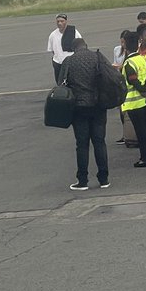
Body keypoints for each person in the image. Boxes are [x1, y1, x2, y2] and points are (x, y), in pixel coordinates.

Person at [60, 40, 110, 191]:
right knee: (99, 142)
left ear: (74, 49)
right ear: (86, 46)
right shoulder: (98, 57)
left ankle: (82, 180)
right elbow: (108, 76)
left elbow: (60, 82)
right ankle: (104, 179)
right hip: (98, 105)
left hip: (79, 107)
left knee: (82, 144)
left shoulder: (69, 61)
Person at [121, 27, 146, 167]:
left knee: (141, 132)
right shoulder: (142, 59)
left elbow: (133, 81)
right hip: (145, 101)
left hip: (134, 103)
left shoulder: (128, 63)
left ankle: (145, 158)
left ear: (125, 44)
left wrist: (142, 89)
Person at [47, 14, 82, 81]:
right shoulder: (53, 35)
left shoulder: (74, 32)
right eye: (58, 21)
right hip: (58, 63)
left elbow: (80, 45)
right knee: (59, 82)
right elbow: (52, 50)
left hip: (71, 62)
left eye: (62, 21)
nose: (60, 23)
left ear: (66, 21)